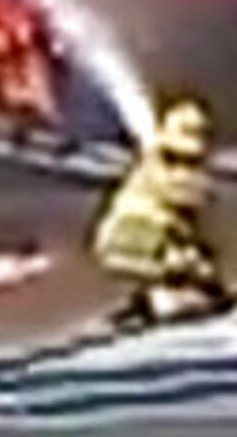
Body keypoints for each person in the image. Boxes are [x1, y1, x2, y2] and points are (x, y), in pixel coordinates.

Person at [91, 97, 229, 331]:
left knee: (195, 266)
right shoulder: (162, 171)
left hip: (127, 242)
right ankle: (158, 299)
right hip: (134, 238)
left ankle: (150, 298)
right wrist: (198, 265)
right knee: (188, 266)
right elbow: (188, 200)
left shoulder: (158, 167)